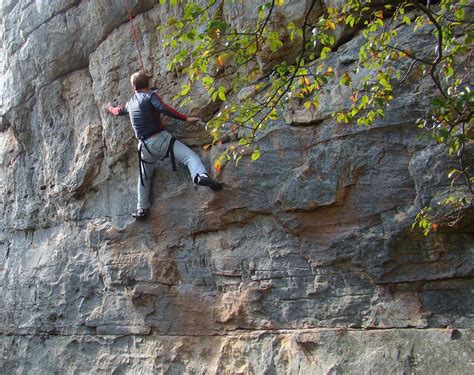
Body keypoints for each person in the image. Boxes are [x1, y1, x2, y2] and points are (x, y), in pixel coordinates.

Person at [105, 71, 223, 220]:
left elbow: (117, 111)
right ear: (147, 84)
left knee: (144, 176)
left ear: (133, 87)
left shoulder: (130, 103)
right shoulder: (150, 97)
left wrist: (109, 108)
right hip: (160, 140)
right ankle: (200, 176)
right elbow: (163, 108)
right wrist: (185, 118)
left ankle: (141, 209)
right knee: (189, 156)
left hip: (144, 147)